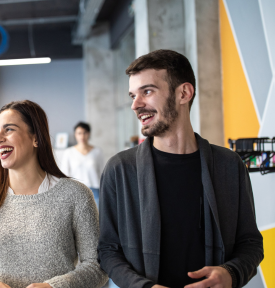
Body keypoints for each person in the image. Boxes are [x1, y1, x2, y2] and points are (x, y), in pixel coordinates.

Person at [98, 49, 264, 288]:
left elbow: (250, 242)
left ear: (184, 93)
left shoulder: (229, 165)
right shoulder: (120, 169)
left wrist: (231, 273)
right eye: (132, 95)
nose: (136, 105)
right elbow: (108, 250)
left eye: (147, 91)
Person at [0, 100, 108, 288]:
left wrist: (55, 286)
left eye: (9, 130)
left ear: (36, 138)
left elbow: (97, 267)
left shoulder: (76, 195)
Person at [61, 122, 104, 206]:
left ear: (89, 134)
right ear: (75, 135)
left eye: (85, 133)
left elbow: (102, 172)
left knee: (96, 217)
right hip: (75, 191)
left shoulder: (97, 151)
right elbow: (64, 174)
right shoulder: (68, 152)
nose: (82, 136)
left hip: (95, 191)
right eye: (79, 133)